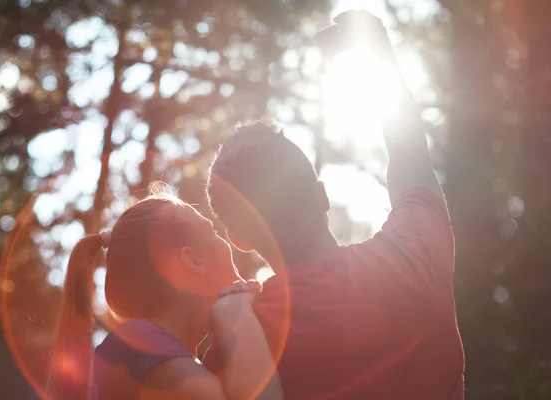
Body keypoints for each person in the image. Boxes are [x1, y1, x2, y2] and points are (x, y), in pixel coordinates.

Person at [204, 11, 464, 400]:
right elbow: (410, 150)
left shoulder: (243, 340)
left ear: (239, 238)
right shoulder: (415, 253)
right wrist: (379, 52)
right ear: (322, 196)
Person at [44, 192, 283, 400]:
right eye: (212, 231)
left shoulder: (153, 351)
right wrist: (235, 312)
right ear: (191, 260)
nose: (228, 243)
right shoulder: (142, 346)